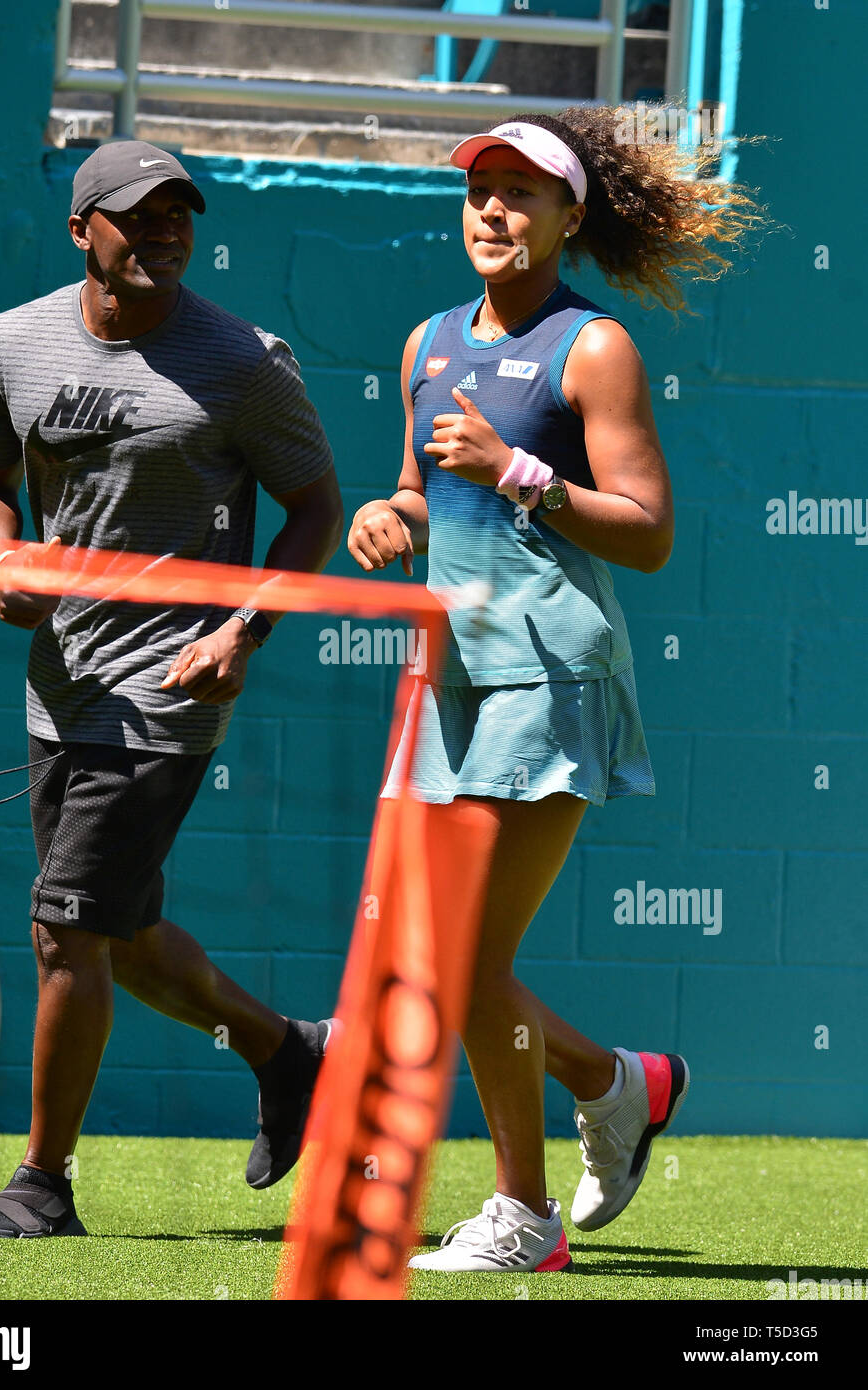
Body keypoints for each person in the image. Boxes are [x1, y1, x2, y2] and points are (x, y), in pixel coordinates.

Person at [348, 110, 760, 1272]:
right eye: (480, 188)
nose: (493, 209)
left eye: (522, 193)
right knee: (445, 958)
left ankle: (525, 1217)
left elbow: (648, 534)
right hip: (453, 678)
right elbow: (423, 490)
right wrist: (391, 514)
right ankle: (611, 1083)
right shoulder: (426, 342)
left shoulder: (594, 349)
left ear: (568, 218)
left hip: (550, 673)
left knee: (462, 962)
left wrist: (520, 470)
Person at [0, 140, 344, 1237]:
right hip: (59, 678)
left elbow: (315, 505)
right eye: (139, 216)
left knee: (62, 928)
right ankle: (287, 1048)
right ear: (83, 230)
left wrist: (243, 629)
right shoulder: (10, 342)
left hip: (170, 686)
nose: (165, 234)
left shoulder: (243, 361)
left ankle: (42, 1183)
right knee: (114, 932)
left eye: (181, 217)